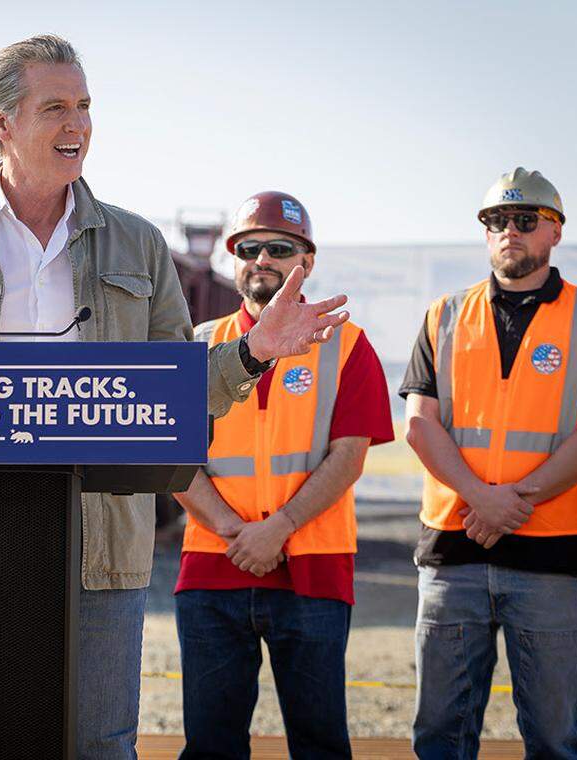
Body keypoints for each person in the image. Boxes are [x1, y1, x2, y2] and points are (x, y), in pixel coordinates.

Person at [0, 35, 350, 757]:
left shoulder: (136, 246)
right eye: (55, 107)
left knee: (101, 747)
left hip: (101, 546)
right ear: (0, 123)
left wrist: (253, 351)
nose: (77, 123)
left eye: (84, 106)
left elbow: (177, 393)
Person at [400, 168, 577, 759]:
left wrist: (511, 502)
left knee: (555, 740)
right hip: (454, 550)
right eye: (496, 221)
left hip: (549, 555)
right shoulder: (444, 316)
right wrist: (483, 498)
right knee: (439, 739)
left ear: (554, 233)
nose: (509, 231)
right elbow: (420, 425)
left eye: (525, 220)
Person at [174, 192, 394, 759]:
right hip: (213, 569)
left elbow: (349, 456)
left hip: (314, 572)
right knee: (210, 747)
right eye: (249, 248)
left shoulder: (347, 345)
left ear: (308, 260)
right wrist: (233, 531)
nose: (262, 258)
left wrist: (278, 529)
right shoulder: (197, 344)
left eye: (279, 247)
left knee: (319, 744)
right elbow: (171, 460)